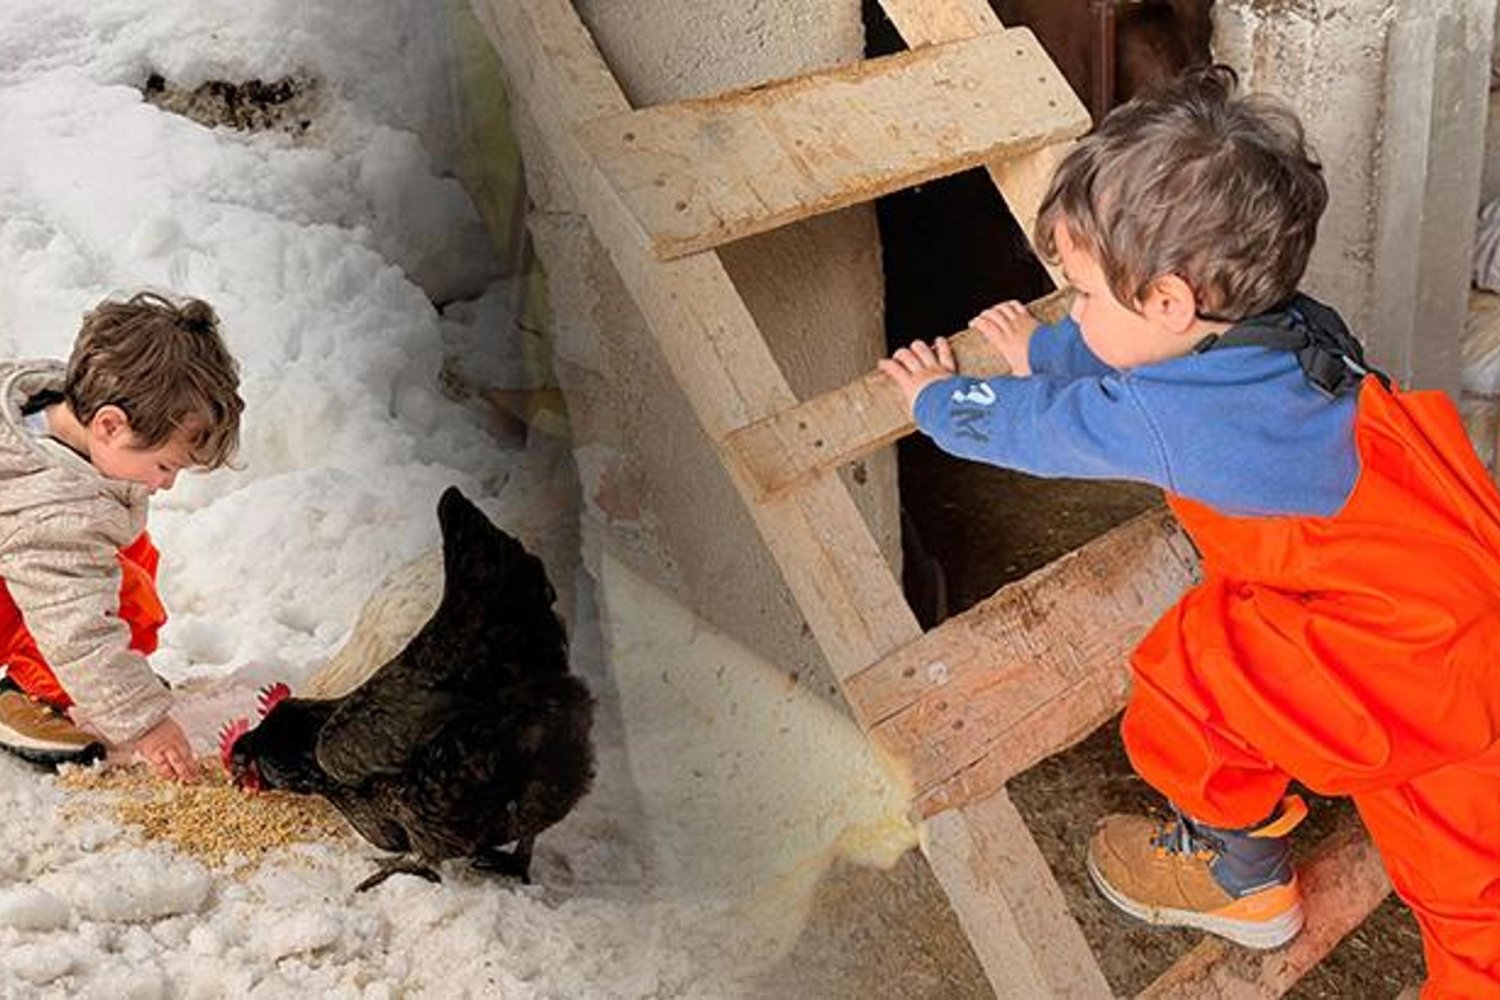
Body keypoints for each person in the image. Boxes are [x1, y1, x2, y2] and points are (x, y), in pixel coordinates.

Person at [880, 66, 1500, 999]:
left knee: (1190, 678)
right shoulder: (1282, 327)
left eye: (1082, 295)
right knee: (1472, 871)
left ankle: (1239, 876)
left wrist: (942, 400)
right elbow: (1128, 365)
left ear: (1169, 300)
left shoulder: (1180, 421)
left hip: (1401, 657)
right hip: (1451, 600)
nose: (1074, 314)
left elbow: (1048, 430)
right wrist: (1042, 349)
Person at [0, 291, 243, 783]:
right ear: (110, 425)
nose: (167, 483)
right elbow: (77, 626)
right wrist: (142, 720)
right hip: (42, 577)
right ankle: (32, 693)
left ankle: (87, 683)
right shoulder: (52, 507)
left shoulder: (36, 398)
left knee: (123, 553)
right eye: (164, 465)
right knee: (110, 587)